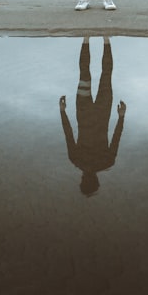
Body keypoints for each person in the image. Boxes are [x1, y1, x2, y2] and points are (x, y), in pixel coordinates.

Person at [60, 36, 126, 196]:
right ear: (82, 180)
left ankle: (105, 39)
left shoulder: (106, 162)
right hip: (84, 111)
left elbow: (116, 138)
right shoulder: (76, 160)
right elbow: (68, 134)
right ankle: (87, 37)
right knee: (86, 73)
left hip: (102, 112)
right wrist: (62, 111)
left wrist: (121, 117)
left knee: (106, 75)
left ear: (96, 181)